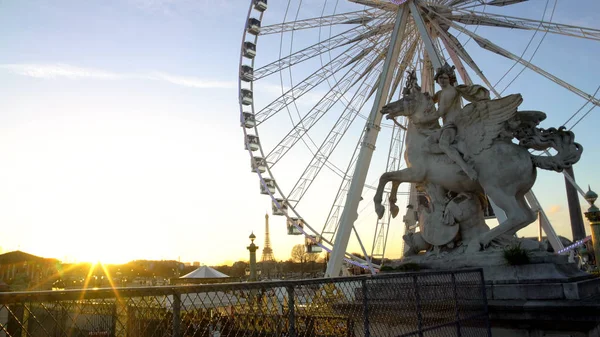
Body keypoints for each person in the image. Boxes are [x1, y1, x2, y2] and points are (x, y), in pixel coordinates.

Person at [427, 63, 490, 180]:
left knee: (443, 144)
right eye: (440, 78)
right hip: (448, 124)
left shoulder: (450, 91)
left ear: (450, 79)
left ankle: (467, 169)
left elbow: (440, 112)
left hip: (453, 123)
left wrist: (422, 119)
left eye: (445, 78)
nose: (442, 80)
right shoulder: (441, 93)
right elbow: (430, 100)